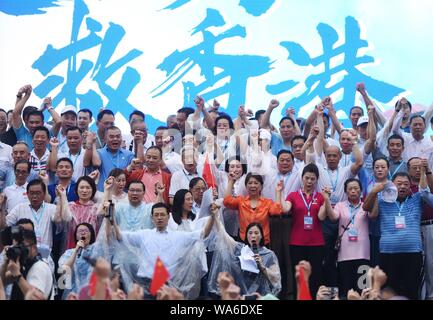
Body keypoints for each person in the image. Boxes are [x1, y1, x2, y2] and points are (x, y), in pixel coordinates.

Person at [105, 202, 216, 299]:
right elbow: (119, 236)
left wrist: (213, 216)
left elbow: (203, 233)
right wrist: (111, 217)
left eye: (162, 215)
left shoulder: (178, 236)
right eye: (156, 215)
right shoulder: (144, 235)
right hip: (146, 283)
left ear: (168, 217)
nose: (159, 218)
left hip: (169, 284)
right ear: (152, 218)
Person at [363, 168, 433, 300]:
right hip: (388, 254)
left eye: (406, 184)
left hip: (413, 253)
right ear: (392, 185)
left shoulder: (417, 197)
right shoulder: (382, 198)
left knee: (412, 291)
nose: (402, 187)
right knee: (389, 292)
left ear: (410, 185)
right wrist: (373, 191)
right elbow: (366, 208)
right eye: (399, 183)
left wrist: (425, 178)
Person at [279, 163, 333, 298]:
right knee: (299, 276)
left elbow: (321, 216)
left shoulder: (320, 197)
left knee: (315, 276)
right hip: (296, 242)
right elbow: (285, 209)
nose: (309, 181)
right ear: (302, 178)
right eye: (307, 178)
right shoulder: (293, 195)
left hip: (316, 244)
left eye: (312, 179)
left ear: (317, 180)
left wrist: (327, 199)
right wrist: (279, 192)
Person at [208, 214, 281, 297]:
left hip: (260, 294)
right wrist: (215, 217)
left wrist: (262, 267)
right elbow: (224, 236)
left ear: (261, 236)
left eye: (256, 233)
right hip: (241, 294)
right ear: (246, 235)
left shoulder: (269, 254)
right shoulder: (240, 249)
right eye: (250, 233)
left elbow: (276, 279)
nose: (253, 236)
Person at [327, 178, 373, 296]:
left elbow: (374, 215)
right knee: (347, 290)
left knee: (363, 289)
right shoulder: (340, 205)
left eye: (356, 188)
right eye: (350, 189)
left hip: (363, 253)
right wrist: (326, 199)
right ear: (346, 191)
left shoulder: (365, 206)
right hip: (345, 254)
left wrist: (374, 195)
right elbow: (333, 217)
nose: (353, 191)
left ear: (361, 191)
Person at [0, 179, 70, 250]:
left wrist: (60, 197)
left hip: (45, 254)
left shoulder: (51, 208)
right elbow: (3, 226)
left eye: (38, 193)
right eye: (32, 193)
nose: (35, 196)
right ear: (27, 194)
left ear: (44, 193)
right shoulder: (19, 208)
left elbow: (58, 220)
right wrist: (2, 206)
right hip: (24, 252)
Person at [223, 173, 283, 246]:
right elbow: (226, 201)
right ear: (246, 186)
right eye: (250, 183)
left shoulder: (267, 202)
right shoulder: (241, 201)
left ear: (261, 186)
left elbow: (276, 211)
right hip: (244, 240)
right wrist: (231, 181)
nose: (253, 186)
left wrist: (278, 191)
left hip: (262, 242)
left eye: (256, 183)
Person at [84, 126, 137, 191]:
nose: (115, 139)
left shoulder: (129, 155)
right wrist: (92, 142)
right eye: (111, 137)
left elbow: (136, 173)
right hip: (102, 196)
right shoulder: (98, 153)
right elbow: (94, 164)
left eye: (118, 136)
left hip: (122, 197)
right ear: (105, 139)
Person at [58, 223, 97, 298]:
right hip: (73, 294)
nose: (83, 233)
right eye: (80, 231)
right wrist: (76, 251)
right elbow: (63, 270)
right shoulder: (69, 253)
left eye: (86, 231)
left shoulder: (96, 251)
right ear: (76, 236)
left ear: (91, 234)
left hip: (92, 293)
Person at [64, 176, 101, 249]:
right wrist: (62, 196)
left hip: (92, 247)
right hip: (72, 245)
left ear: (93, 190)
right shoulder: (70, 206)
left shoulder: (97, 208)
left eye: (88, 188)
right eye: (82, 187)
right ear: (76, 190)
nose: (84, 190)